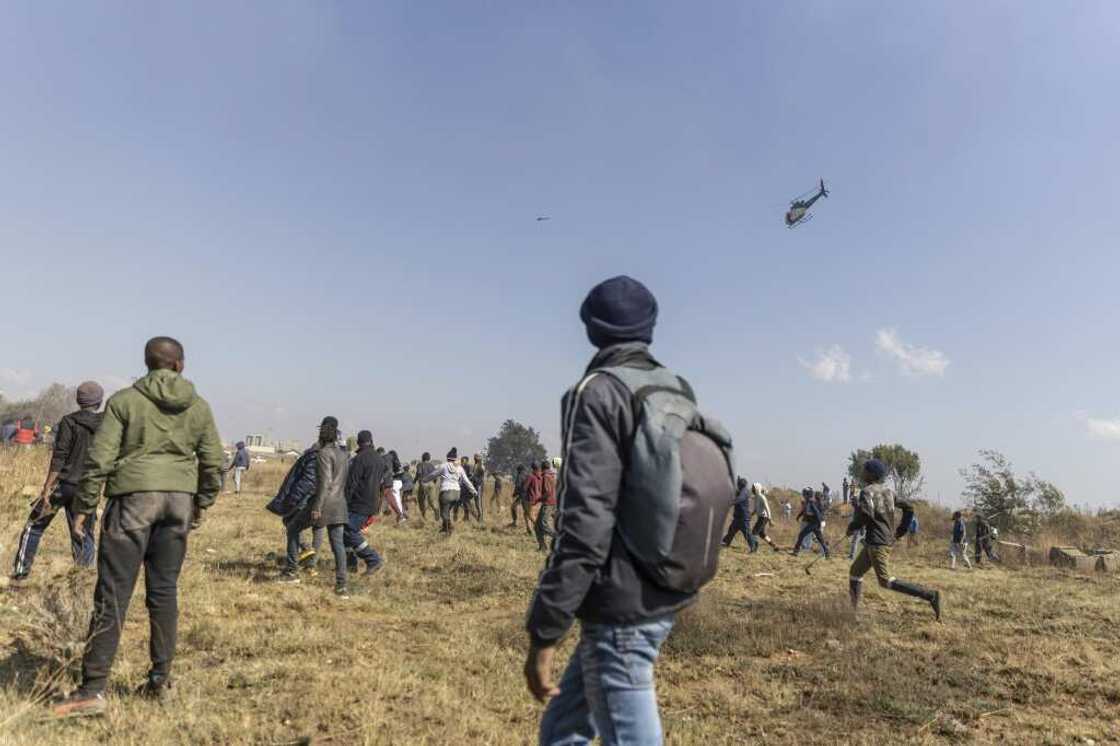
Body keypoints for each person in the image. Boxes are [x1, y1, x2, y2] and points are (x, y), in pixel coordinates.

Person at [525, 275, 734, 745]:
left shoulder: (597, 391)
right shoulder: (675, 387)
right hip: (667, 584)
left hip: (621, 601)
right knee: (562, 729)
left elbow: (586, 521)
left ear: (592, 328)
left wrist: (545, 630)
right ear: (649, 328)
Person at [52, 337, 222, 717]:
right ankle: (160, 681)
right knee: (164, 592)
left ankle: (93, 690)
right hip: (178, 504)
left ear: (147, 364)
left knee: (112, 594)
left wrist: (85, 506)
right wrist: (201, 502)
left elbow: (100, 458)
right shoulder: (198, 406)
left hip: (132, 502)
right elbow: (213, 462)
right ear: (179, 365)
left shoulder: (124, 402)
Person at [11, 382, 104, 583]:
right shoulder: (105, 424)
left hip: (62, 485)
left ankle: (20, 573)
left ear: (78, 400)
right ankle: (82, 581)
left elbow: (59, 457)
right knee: (83, 532)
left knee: (34, 526)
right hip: (87, 488)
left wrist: (47, 487)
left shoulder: (69, 421)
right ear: (99, 401)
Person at [845, 459, 941, 620]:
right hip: (876, 542)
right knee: (855, 572)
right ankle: (852, 614)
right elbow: (909, 507)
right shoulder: (889, 492)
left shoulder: (867, 492)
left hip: (877, 543)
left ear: (871, 474)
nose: (862, 473)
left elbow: (866, 515)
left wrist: (852, 527)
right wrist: (901, 530)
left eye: (865, 470)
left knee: (886, 581)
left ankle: (930, 595)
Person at [340, 430, 387, 577]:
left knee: (348, 530)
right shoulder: (380, 460)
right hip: (373, 503)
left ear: (359, 443)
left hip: (359, 503)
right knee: (344, 531)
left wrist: (343, 501)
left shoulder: (359, 459)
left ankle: (373, 559)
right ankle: (350, 564)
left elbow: (351, 483)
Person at [422, 448, 476, 534]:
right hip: (457, 493)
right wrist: (473, 491)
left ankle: (448, 530)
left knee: (443, 513)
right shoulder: (459, 468)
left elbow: (434, 474)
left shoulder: (444, 466)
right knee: (447, 511)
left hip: (446, 492)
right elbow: (466, 481)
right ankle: (445, 527)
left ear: (447, 458)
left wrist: (425, 480)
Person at [721, 477, 757, 552]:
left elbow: (739, 499)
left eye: (738, 484)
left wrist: (730, 503)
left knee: (747, 533)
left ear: (741, 484)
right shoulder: (742, 491)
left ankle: (754, 547)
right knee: (731, 530)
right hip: (738, 517)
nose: (737, 486)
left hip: (743, 517)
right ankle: (725, 542)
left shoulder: (744, 491)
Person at [791, 488, 829, 558]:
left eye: (805, 494)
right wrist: (798, 516)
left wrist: (819, 523)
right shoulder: (808, 502)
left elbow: (817, 513)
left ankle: (795, 552)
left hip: (814, 523)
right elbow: (804, 511)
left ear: (808, 494)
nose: (803, 495)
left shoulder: (811, 502)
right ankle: (827, 552)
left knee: (801, 535)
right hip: (814, 523)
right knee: (820, 538)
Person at [536, 459, 558, 552]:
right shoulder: (552, 475)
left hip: (548, 503)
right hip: (553, 502)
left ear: (542, 468)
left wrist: (539, 499)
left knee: (543, 524)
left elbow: (548, 492)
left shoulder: (545, 476)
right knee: (537, 526)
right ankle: (542, 547)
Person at [751, 482, 780, 552]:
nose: (752, 490)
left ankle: (755, 549)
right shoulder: (756, 497)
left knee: (754, 532)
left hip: (764, 517)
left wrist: (770, 520)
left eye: (753, 488)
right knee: (761, 534)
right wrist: (751, 514)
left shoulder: (762, 497)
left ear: (757, 489)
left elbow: (767, 509)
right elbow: (756, 508)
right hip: (760, 517)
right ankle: (774, 546)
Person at [415, 452, 438, 520]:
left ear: (422, 458)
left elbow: (418, 474)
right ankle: (435, 509)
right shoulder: (431, 465)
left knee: (421, 500)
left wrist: (415, 481)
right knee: (432, 500)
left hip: (424, 483)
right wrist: (434, 483)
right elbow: (435, 476)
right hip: (431, 484)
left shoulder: (420, 464)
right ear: (429, 458)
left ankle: (424, 516)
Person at [524, 462, 543, 538]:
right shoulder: (541, 476)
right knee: (526, 514)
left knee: (530, 515)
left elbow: (525, 487)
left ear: (532, 468)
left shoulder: (530, 476)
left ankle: (540, 529)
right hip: (538, 499)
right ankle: (529, 530)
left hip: (530, 498)